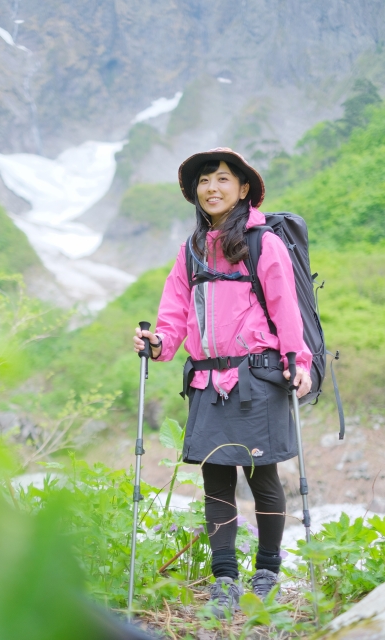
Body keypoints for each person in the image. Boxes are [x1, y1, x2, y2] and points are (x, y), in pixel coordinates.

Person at [133, 147, 312, 618]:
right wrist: (157, 343)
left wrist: (300, 360)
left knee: (262, 476)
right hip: (208, 381)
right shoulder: (191, 250)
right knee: (216, 481)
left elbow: (285, 306)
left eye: (222, 179)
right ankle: (225, 579)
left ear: (243, 188)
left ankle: (268, 571)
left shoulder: (262, 243)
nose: (211, 188)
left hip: (257, 375)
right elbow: (172, 315)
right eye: (205, 181)